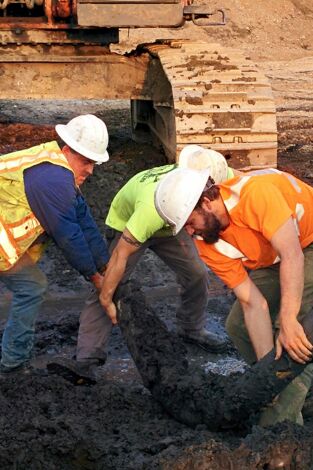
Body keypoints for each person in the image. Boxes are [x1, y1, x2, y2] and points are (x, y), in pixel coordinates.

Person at [48, 145, 234, 384]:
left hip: (177, 219)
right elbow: (121, 256)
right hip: (131, 222)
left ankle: (191, 328)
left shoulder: (214, 174)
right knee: (109, 284)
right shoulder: (151, 207)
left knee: (196, 273)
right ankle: (87, 359)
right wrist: (107, 297)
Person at [164, 167, 313, 426]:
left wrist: (289, 320)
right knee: (238, 325)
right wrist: (268, 379)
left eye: (190, 222)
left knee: (291, 337)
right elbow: (252, 302)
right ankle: (290, 392)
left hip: (305, 245)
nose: (189, 232)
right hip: (274, 256)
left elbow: (293, 256)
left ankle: (282, 431)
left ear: (206, 202)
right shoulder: (206, 240)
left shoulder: (254, 195)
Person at [0, 114, 110, 376]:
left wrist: (106, 265)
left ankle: (13, 360)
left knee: (32, 285)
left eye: (93, 163)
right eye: (86, 162)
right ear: (67, 150)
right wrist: (96, 278)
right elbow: (69, 237)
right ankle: (13, 364)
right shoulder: (52, 181)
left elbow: (85, 223)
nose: (90, 170)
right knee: (31, 287)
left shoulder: (59, 172)